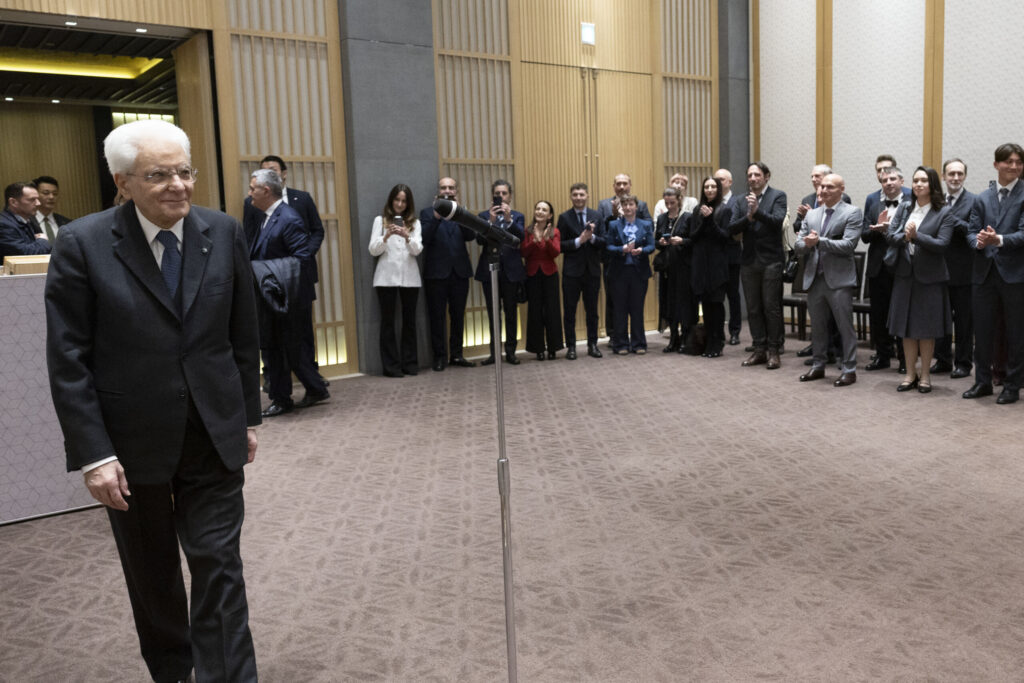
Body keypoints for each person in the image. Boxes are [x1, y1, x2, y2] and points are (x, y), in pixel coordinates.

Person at [45, 119, 260, 682]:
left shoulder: (223, 231)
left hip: (212, 431)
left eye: (184, 171)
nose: (178, 185)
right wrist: (93, 454)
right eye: (158, 175)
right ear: (123, 182)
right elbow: (69, 359)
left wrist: (246, 418)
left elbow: (242, 335)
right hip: (130, 443)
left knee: (218, 564)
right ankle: (172, 671)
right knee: (152, 570)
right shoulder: (82, 244)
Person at [248, 168, 328, 416]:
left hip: (286, 296)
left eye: (252, 188)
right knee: (281, 348)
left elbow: (301, 259)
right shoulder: (267, 216)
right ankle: (308, 390)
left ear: (266, 190)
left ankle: (285, 398)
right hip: (272, 295)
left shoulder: (288, 218)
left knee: (284, 348)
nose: (249, 193)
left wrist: (265, 272)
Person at [884, 166, 955, 393]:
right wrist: (905, 238)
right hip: (905, 275)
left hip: (930, 277)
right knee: (906, 328)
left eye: (924, 180)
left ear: (932, 184)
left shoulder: (944, 212)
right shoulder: (905, 207)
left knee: (925, 329)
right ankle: (910, 374)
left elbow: (942, 244)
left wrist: (916, 237)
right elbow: (890, 236)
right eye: (915, 180)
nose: (918, 184)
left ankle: (925, 375)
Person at [964, 143, 1024, 404]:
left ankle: (1012, 386)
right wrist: (978, 242)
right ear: (996, 164)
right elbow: (970, 232)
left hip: (1015, 275)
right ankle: (982, 382)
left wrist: (997, 239)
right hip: (984, 274)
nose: (1014, 166)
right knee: (983, 331)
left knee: (1016, 333)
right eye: (1009, 161)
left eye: (1018, 162)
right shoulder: (982, 198)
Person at [795, 173, 863, 386]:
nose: (824, 190)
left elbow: (849, 245)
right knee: (817, 326)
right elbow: (798, 244)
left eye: (830, 187)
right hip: (815, 278)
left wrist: (818, 242)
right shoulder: (811, 214)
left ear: (841, 189)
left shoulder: (852, 212)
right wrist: (807, 243)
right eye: (822, 186)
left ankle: (849, 369)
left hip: (839, 280)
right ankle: (818, 366)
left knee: (844, 327)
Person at [729, 162, 788, 370]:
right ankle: (759, 349)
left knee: (771, 307)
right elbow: (732, 227)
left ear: (766, 176)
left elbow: (777, 221)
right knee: (753, 308)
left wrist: (757, 211)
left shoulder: (778, 196)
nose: (753, 178)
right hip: (748, 260)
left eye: (757, 175)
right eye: (750, 175)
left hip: (771, 260)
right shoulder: (740, 200)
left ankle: (774, 351)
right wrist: (748, 217)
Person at [420, 177, 477, 371]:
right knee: (437, 317)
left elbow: (471, 236)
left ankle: (457, 355)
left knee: (458, 316)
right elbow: (424, 239)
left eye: (451, 188)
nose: (447, 191)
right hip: (436, 274)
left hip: (460, 272)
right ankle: (439, 357)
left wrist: (460, 214)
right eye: (443, 187)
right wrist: (437, 217)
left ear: (456, 191)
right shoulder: (427, 213)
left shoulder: (462, 212)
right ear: (438, 191)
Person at [368, 183, 422, 377]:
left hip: (410, 277)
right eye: (397, 200)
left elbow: (417, 250)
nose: (400, 204)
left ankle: (410, 364)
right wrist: (386, 236)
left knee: (409, 322)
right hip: (385, 277)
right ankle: (391, 366)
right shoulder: (380, 220)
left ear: (408, 203)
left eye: (404, 201)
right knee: (388, 322)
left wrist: (407, 237)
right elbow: (373, 250)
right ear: (391, 200)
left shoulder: (415, 223)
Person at [931, 158, 976, 379]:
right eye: (951, 174)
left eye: (959, 174)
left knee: (964, 321)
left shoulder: (975, 201)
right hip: (938, 269)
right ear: (943, 176)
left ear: (965, 176)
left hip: (964, 271)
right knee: (940, 317)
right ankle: (942, 360)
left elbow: (974, 231)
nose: (955, 178)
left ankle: (964, 363)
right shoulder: (936, 201)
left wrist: (951, 219)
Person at [476, 179, 526, 365]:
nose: (501, 197)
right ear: (493, 196)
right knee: (493, 314)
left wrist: (508, 219)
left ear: (510, 196)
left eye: (504, 193)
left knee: (511, 313)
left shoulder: (517, 216)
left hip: (511, 271)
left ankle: (511, 352)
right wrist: (490, 221)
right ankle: (494, 353)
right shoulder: (483, 216)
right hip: (489, 271)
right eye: (497, 194)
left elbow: (520, 238)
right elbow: (479, 241)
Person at [598, 173, 651, 342]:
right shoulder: (604, 204)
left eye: (625, 183)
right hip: (614, 260)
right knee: (613, 301)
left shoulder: (641, 204)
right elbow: (602, 230)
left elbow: (648, 226)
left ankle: (636, 339)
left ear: (630, 185)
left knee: (635, 304)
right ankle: (614, 336)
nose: (621, 187)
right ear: (613, 186)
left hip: (636, 262)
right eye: (618, 183)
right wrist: (614, 216)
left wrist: (630, 216)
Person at [556, 182, 604, 359]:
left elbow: (604, 241)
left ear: (587, 196)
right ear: (571, 196)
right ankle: (571, 347)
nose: (578, 198)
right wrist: (579, 240)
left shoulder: (596, 215)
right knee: (569, 311)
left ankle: (593, 345)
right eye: (575, 194)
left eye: (581, 194)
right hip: (571, 273)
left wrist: (591, 238)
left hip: (592, 271)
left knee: (592, 311)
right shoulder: (564, 217)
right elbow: (559, 245)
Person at [686, 177, 732, 358]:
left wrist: (710, 220)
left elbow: (724, 237)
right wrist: (704, 220)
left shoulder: (725, 210)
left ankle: (717, 342)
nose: (710, 189)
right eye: (707, 187)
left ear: (718, 189)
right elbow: (693, 237)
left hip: (717, 264)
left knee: (716, 304)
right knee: (705, 305)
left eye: (713, 186)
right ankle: (708, 342)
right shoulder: (697, 210)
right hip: (700, 264)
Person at [606, 194, 655, 354]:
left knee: (637, 309)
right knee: (619, 309)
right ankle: (621, 344)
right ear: (621, 207)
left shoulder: (645, 224)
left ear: (636, 207)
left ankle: (639, 344)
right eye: (625, 204)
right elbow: (608, 246)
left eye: (631, 204)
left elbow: (651, 246)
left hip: (638, 272)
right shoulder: (613, 225)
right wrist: (622, 249)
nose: (628, 207)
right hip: (619, 273)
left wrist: (641, 250)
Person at [521, 200, 563, 360]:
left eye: (544, 210)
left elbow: (556, 253)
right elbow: (523, 253)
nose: (539, 212)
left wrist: (546, 240)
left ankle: (553, 348)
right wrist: (534, 242)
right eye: (537, 208)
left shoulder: (555, 231)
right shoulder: (527, 231)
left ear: (550, 215)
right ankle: (538, 348)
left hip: (550, 274)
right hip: (532, 274)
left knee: (552, 311)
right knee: (535, 312)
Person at [654, 187, 692, 352]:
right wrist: (661, 243)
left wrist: (681, 241)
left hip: (683, 267)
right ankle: (673, 338)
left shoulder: (687, 217)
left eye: (672, 202)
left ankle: (685, 338)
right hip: (667, 268)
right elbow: (655, 242)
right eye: (666, 203)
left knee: (683, 303)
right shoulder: (662, 218)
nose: (669, 206)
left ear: (679, 200)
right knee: (669, 303)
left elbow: (693, 241)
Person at [714, 168, 743, 345]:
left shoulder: (737, 201)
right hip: (715, 257)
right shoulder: (712, 202)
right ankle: (718, 331)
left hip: (732, 254)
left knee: (733, 295)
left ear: (730, 182)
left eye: (722, 180)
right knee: (717, 296)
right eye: (716, 180)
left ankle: (735, 331)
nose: (718, 183)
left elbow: (737, 227)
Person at [1, 181, 50, 260]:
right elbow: (25, 255)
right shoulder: (3, 225)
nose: (38, 203)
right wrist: (43, 240)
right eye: (32, 199)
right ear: (13, 202)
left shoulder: (29, 220)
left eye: (37, 199)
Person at [33, 175, 72, 240]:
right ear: (35, 195)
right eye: (46, 193)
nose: (51, 197)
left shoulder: (67, 223)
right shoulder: (26, 222)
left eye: (55, 193)